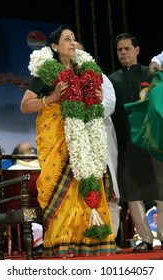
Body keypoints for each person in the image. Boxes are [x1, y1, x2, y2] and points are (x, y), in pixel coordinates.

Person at [20, 25, 116, 257]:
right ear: (54, 46)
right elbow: (24, 106)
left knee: (87, 186)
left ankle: (90, 242)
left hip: (85, 142)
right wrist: (51, 98)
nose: (73, 43)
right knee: (62, 192)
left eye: (74, 39)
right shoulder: (46, 73)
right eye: (67, 39)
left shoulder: (86, 74)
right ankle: (63, 244)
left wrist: (95, 98)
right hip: (58, 144)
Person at [108, 33, 163, 252]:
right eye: (119, 50)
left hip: (153, 141)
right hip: (127, 142)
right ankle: (145, 238)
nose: (123, 53)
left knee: (161, 189)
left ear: (137, 50)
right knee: (131, 192)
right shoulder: (111, 80)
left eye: (127, 49)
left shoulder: (151, 74)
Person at [75, 41, 121, 252]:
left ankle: (110, 240)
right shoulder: (65, 79)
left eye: (77, 49)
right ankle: (85, 242)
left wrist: (88, 112)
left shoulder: (99, 77)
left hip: (100, 135)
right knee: (82, 190)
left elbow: (109, 104)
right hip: (76, 141)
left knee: (108, 189)